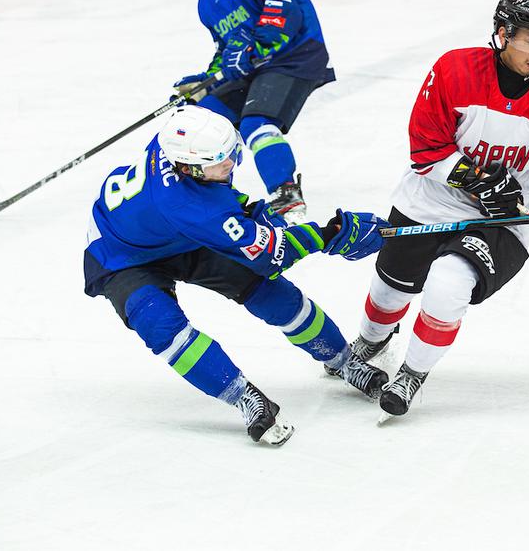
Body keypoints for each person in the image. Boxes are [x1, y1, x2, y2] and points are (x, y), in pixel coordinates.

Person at [350, 0, 529, 420]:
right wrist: (477, 181)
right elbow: (427, 147)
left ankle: (412, 374)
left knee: (448, 283)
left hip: (500, 223)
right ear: (502, 34)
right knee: (389, 292)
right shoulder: (454, 70)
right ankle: (370, 340)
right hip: (429, 202)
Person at [83, 105, 388, 446]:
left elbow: (220, 204)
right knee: (161, 327)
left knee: (273, 297)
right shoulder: (190, 206)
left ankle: (343, 361)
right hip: (120, 256)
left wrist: (250, 211)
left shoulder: (177, 144)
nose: (230, 163)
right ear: (189, 168)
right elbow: (274, 255)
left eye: (232, 152)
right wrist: (329, 234)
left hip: (175, 234)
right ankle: (243, 396)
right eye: (220, 160)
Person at [173, 0, 335, 224]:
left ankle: (285, 192)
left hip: (296, 58)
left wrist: (254, 50)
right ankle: (208, 197)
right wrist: (206, 82)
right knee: (202, 119)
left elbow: (283, 11)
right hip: (256, 68)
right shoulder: (206, 3)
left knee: (256, 123)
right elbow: (226, 50)